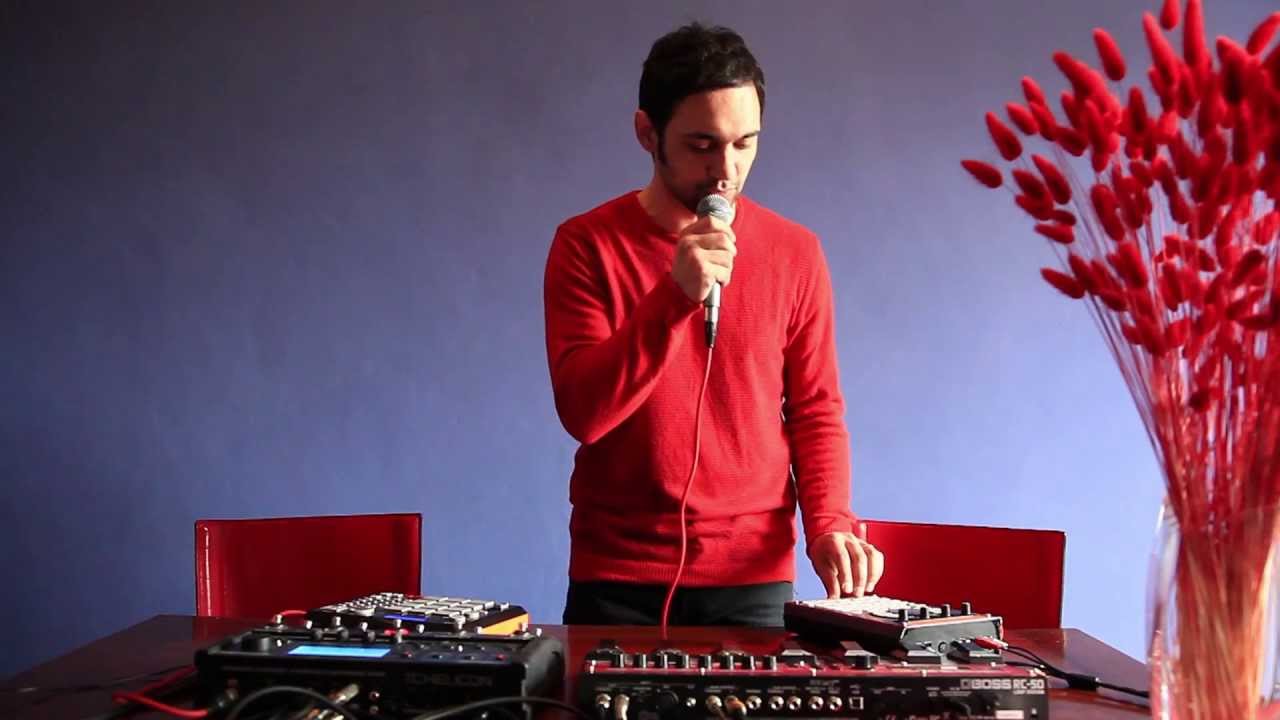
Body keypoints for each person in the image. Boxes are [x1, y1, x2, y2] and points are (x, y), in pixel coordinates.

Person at [543, 21, 883, 626]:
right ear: (647, 133)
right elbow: (584, 415)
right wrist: (675, 296)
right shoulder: (585, 245)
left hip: (753, 576)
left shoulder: (796, 251)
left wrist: (829, 524)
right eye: (702, 145)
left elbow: (815, 410)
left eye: (745, 143)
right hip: (616, 577)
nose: (726, 170)